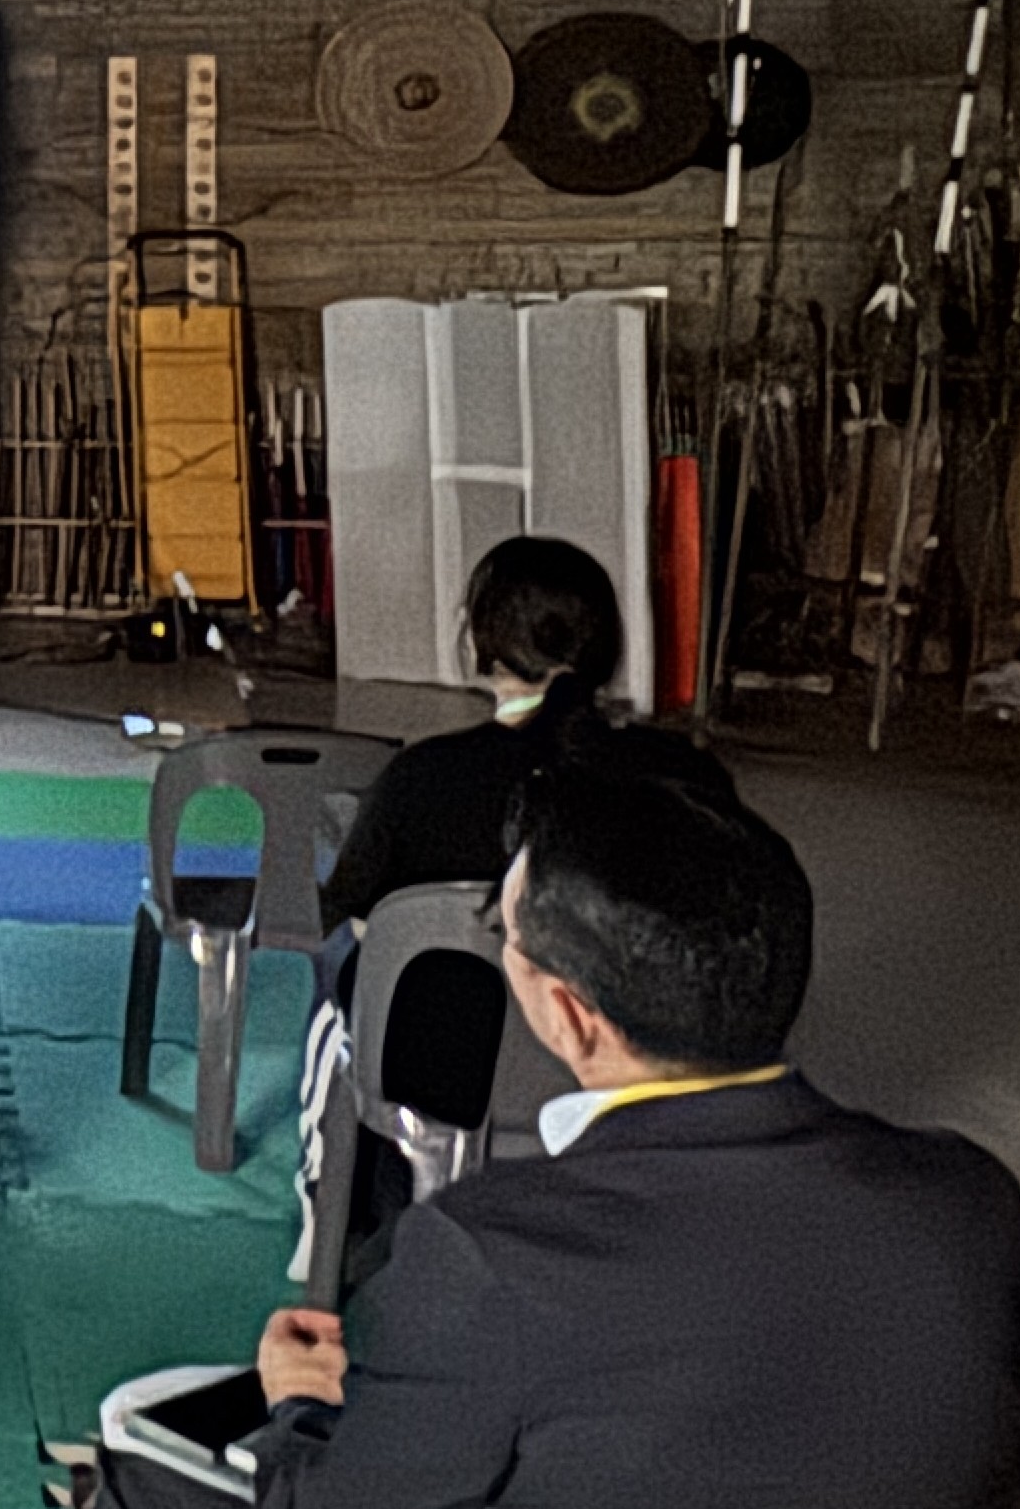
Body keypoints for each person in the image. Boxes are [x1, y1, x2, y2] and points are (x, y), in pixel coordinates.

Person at [77, 767, 1020, 1509]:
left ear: (567, 1013)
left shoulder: (487, 1253)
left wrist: (301, 1408)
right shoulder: (976, 1208)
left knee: (149, 1473)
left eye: (505, 938)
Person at [298, 536, 730, 1275]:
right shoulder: (684, 777)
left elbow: (347, 913)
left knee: (342, 953)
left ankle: (329, 1207)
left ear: (482, 642)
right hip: (626, 1062)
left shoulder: (422, 778)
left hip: (439, 1076)